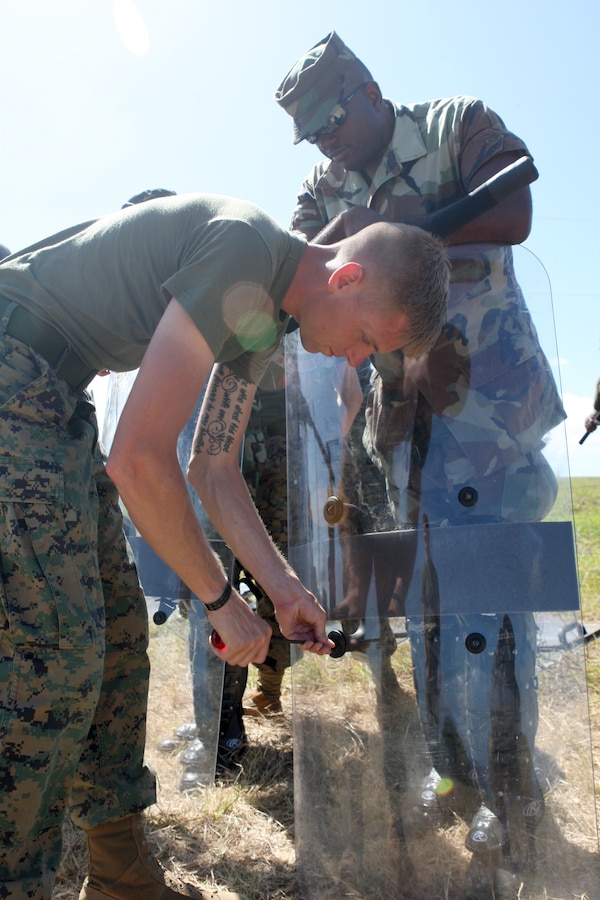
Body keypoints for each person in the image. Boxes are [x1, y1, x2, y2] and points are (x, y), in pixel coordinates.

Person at [0, 190, 449, 900]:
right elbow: (139, 459)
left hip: (53, 397)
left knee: (117, 644)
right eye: (367, 339)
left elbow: (212, 468)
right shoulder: (244, 246)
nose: (356, 359)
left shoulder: (261, 317)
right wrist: (218, 600)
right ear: (347, 278)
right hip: (13, 374)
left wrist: (282, 591)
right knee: (50, 663)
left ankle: (120, 877)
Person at [275, 32, 565, 894]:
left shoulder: (455, 125)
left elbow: (514, 209)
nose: (324, 142)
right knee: (426, 620)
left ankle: (513, 796)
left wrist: (397, 233)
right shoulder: (321, 188)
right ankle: (457, 771)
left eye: (330, 118)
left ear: (367, 91)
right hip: (398, 441)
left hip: (495, 425)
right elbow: (298, 274)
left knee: (498, 620)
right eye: (310, 133)